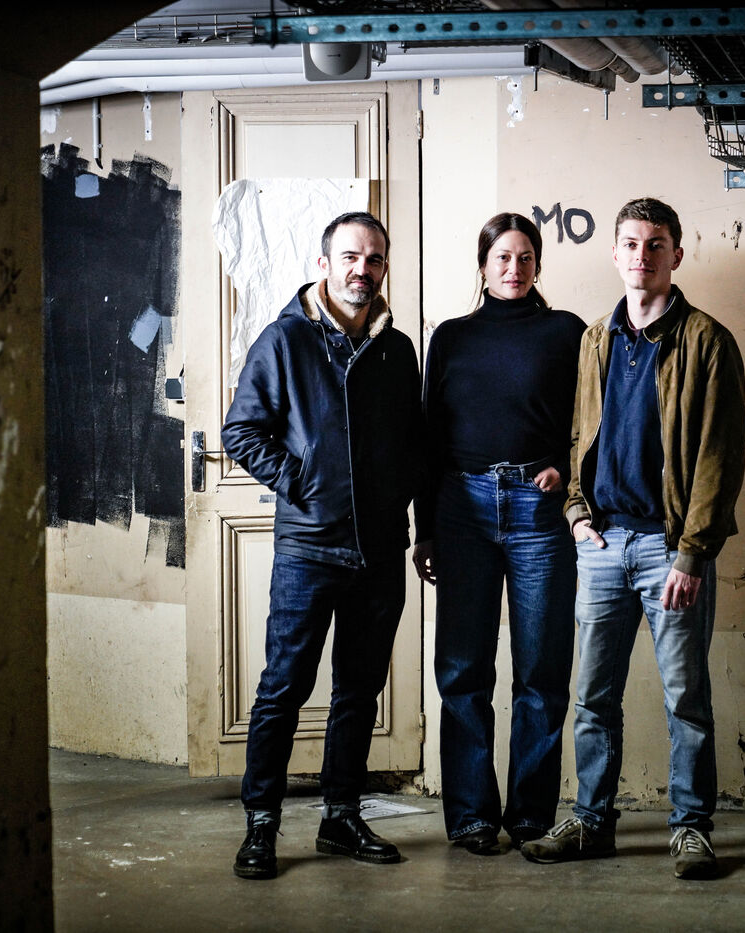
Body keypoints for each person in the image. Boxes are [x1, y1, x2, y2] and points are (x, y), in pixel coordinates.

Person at [520, 198, 745, 880]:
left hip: (669, 549)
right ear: (614, 253)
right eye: (630, 243)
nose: (641, 255)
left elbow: (719, 457)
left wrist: (694, 554)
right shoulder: (596, 339)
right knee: (593, 698)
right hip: (602, 547)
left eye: (655, 244)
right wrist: (577, 513)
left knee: (686, 699)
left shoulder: (707, 341)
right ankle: (591, 822)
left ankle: (691, 829)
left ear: (677, 253)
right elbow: (579, 434)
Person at [223, 211, 423, 881]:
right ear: (324, 264)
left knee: (358, 691)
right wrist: (300, 480)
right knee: (283, 688)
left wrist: (416, 526)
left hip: (380, 552)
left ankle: (340, 817)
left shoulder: (397, 350)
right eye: (350, 257)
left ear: (384, 267)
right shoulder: (285, 339)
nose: (362, 269)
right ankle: (261, 824)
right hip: (309, 549)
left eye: (374, 258)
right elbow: (241, 430)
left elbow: (414, 447)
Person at [412, 213, 586, 855]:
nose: (514, 269)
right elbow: (429, 438)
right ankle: (471, 817)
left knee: (541, 670)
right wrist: (425, 529)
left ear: (538, 264)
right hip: (462, 509)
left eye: (525, 257)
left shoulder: (568, 332)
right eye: (502, 258)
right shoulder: (451, 337)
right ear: (483, 265)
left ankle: (532, 817)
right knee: (463, 671)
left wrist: (565, 470)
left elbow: (591, 419)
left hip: (540, 512)